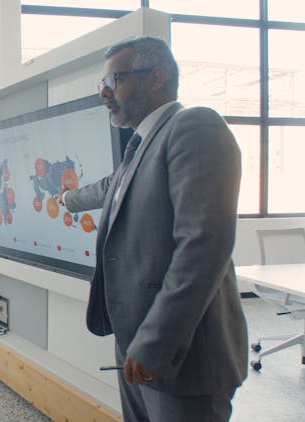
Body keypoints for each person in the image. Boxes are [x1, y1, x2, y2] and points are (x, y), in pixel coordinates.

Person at [55, 36, 248, 421]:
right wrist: (66, 200)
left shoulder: (195, 127)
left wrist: (154, 343)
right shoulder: (143, 143)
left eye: (114, 82)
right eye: (103, 86)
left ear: (155, 78)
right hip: (136, 343)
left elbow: (203, 246)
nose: (104, 94)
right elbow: (113, 188)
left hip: (182, 354)